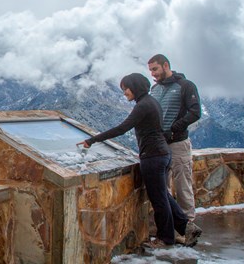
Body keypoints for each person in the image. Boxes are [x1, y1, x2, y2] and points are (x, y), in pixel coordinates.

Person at [77, 73, 188, 248]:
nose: (124, 93)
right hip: (162, 154)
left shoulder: (142, 106)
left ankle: (165, 238)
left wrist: (92, 140)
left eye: (126, 89)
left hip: (153, 156)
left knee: (159, 199)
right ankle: (185, 226)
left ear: (135, 87)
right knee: (164, 195)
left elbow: (122, 128)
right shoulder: (152, 102)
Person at [147, 54, 202, 242]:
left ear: (165, 65)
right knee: (164, 188)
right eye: (150, 71)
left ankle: (188, 229)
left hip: (178, 144)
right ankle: (169, 226)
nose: (153, 74)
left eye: (155, 69)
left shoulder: (185, 86)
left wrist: (174, 129)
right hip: (159, 145)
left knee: (182, 185)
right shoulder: (154, 89)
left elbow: (195, 112)